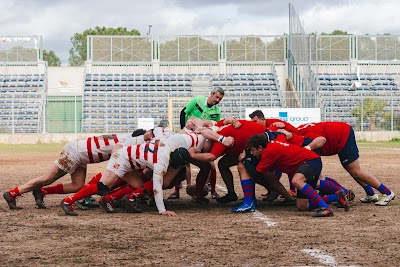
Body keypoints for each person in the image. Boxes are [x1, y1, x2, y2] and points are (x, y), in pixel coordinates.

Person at [2, 130, 148, 210]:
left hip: (80, 153)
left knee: (77, 185)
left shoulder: (125, 137)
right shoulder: (126, 143)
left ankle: (41, 191)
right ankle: (13, 193)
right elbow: (119, 159)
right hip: (76, 153)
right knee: (47, 178)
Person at [60, 136, 191, 216]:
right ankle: (68, 201)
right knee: (102, 186)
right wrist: (162, 210)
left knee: (138, 185)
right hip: (122, 159)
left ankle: (107, 199)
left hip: (128, 160)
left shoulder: (166, 145)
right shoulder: (161, 163)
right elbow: (157, 187)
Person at [188, 118, 295, 204]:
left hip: (259, 142)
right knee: (223, 164)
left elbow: (210, 157)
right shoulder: (218, 127)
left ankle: (282, 196)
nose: (204, 148)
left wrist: (192, 154)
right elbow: (196, 119)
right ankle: (232, 193)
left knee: (253, 170)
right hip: (254, 141)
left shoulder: (219, 140)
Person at [236, 133, 343, 217]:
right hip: (308, 162)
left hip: (310, 160)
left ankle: (326, 208)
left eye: (253, 150)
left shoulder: (268, 152)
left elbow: (257, 174)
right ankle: (337, 196)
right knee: (302, 206)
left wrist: (244, 160)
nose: (253, 153)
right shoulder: (273, 144)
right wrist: (283, 132)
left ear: (260, 148)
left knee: (297, 181)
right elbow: (280, 135)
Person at [296, 122, 395, 206]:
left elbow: (321, 140)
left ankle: (387, 192)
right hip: (341, 132)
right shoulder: (298, 133)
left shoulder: (304, 138)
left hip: (342, 135)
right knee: (352, 170)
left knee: (356, 171)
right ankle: (371, 194)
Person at [169, 86, 225, 200]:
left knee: (210, 163)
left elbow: (217, 125)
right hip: (189, 134)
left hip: (203, 138)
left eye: (220, 99)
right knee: (181, 161)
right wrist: (183, 130)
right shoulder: (197, 100)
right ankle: (177, 191)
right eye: (217, 97)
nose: (218, 100)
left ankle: (212, 190)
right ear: (211, 94)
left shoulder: (217, 111)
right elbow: (184, 113)